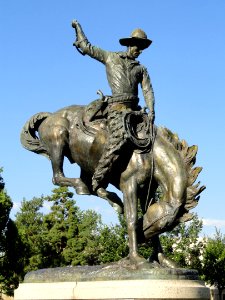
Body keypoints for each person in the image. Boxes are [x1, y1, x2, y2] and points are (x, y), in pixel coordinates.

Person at [72, 20, 155, 194]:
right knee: (120, 138)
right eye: (138, 46)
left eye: (142, 48)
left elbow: (147, 90)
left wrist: (152, 109)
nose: (139, 51)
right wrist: (78, 29)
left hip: (136, 111)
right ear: (130, 44)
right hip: (117, 110)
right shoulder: (110, 57)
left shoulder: (141, 69)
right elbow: (87, 47)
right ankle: (98, 178)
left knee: (153, 138)